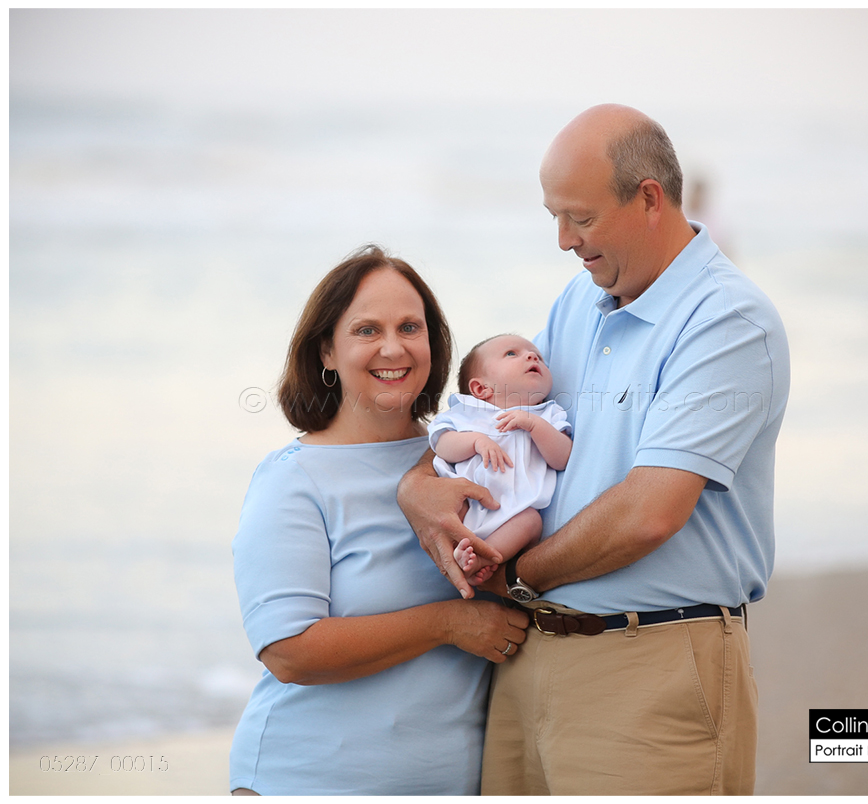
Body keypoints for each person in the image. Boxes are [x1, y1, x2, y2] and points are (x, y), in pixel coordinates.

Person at [397, 105, 790, 795]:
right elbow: (494, 420)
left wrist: (515, 577)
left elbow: (650, 512)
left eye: (578, 217)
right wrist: (418, 486)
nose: (561, 239)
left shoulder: (727, 320)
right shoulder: (578, 304)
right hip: (528, 656)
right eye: (554, 215)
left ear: (647, 198)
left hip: (653, 664)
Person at [229, 246, 528, 796]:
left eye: (410, 327)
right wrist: (448, 624)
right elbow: (288, 650)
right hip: (307, 779)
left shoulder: (473, 454)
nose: (394, 348)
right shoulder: (293, 480)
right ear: (327, 350)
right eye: (367, 330)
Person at [429, 334, 572, 585]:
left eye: (538, 356)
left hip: (513, 513)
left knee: (531, 521)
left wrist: (534, 426)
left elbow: (562, 459)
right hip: (465, 505)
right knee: (443, 513)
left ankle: (484, 558)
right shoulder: (465, 413)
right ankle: (461, 553)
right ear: (480, 388)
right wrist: (475, 441)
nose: (532, 356)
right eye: (511, 354)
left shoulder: (548, 413)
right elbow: (442, 446)